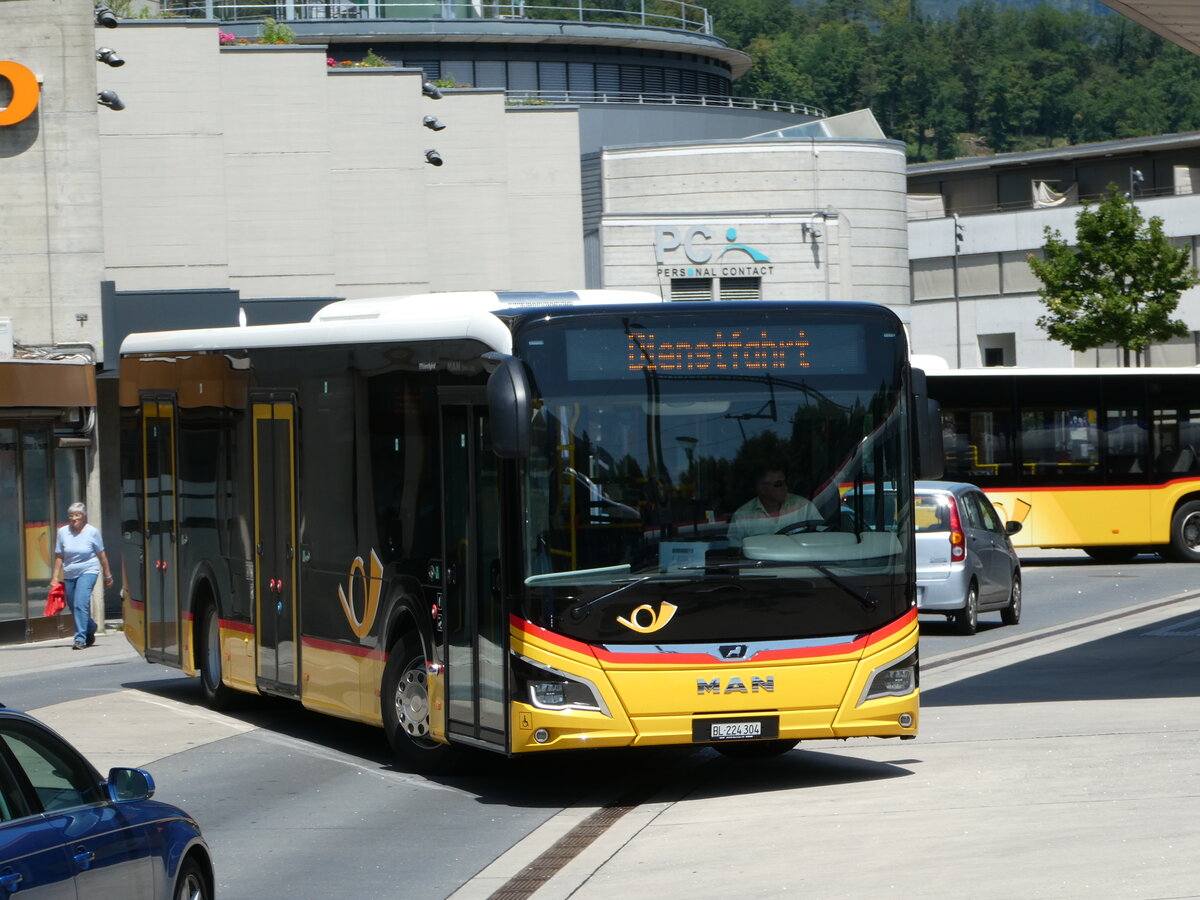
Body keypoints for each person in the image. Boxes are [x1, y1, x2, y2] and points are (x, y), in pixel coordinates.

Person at [51, 502, 112, 650]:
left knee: (80, 603)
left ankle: (80, 639)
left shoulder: (92, 532)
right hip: (70, 572)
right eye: (71, 516)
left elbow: (101, 555)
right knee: (73, 605)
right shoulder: (63, 532)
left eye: (77, 515)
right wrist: (55, 576)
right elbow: (60, 555)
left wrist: (107, 575)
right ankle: (90, 626)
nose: (74, 518)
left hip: (88, 571)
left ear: (84, 517)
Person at [726, 465, 821, 548]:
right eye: (779, 484)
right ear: (762, 488)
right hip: (760, 568)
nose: (786, 487)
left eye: (785, 482)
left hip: (803, 567)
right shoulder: (742, 516)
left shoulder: (804, 507)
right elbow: (735, 556)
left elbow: (824, 539)